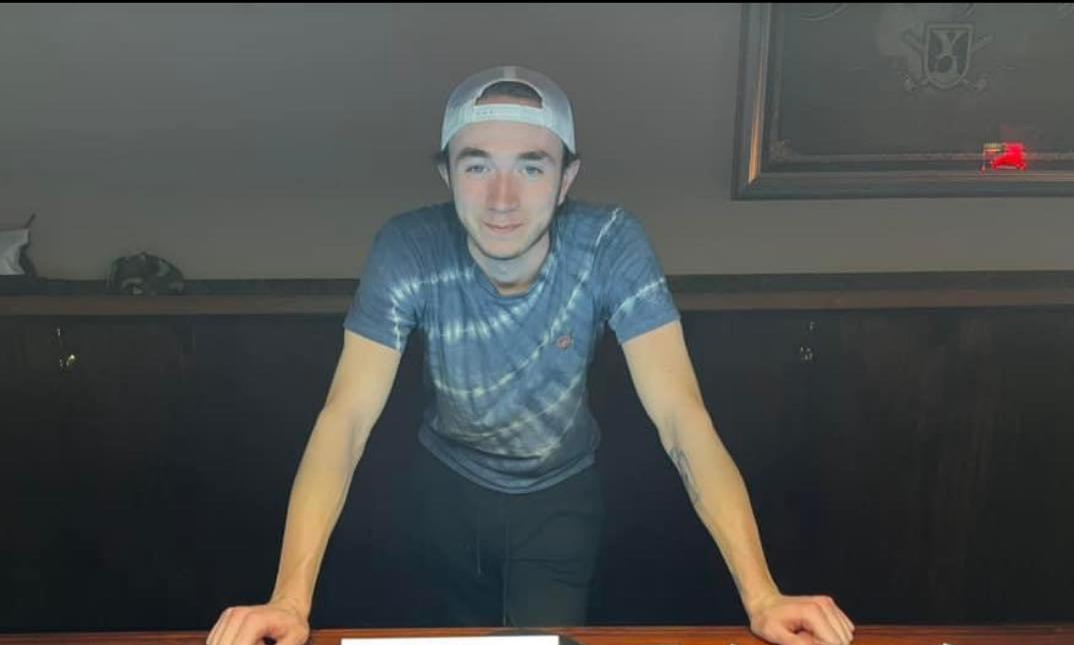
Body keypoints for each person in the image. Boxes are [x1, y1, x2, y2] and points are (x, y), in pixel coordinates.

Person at [206, 65, 854, 645]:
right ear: (447, 173)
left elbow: (683, 418)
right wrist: (288, 600)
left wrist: (764, 594)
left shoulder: (610, 242)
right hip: (443, 492)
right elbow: (344, 420)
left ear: (568, 176)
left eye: (533, 165)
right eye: (478, 164)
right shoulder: (407, 246)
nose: (503, 198)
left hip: (560, 498)